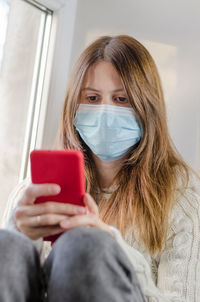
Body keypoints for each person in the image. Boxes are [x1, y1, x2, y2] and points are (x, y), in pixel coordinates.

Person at [1, 35, 200, 302]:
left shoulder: (182, 195)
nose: (105, 112)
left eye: (121, 100)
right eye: (92, 98)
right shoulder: (31, 193)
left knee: (84, 245)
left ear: (147, 107)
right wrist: (24, 236)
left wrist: (111, 250)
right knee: (8, 243)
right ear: (74, 106)